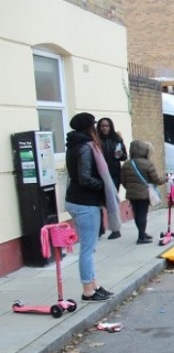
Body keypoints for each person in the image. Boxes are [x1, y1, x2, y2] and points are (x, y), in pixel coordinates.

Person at [65, 112, 118, 302]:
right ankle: (88, 290)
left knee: (90, 247)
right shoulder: (86, 148)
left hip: (77, 200)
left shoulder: (73, 145)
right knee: (88, 248)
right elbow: (85, 178)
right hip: (84, 202)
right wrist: (104, 185)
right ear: (89, 128)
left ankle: (94, 285)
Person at [120, 140, 167, 244]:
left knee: (137, 214)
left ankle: (142, 233)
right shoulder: (147, 164)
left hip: (131, 194)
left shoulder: (127, 164)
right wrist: (165, 178)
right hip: (143, 194)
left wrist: (130, 188)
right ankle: (141, 237)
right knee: (142, 214)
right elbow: (156, 180)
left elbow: (123, 181)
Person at [97, 117, 127, 239]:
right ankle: (99, 228)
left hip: (114, 174)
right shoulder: (95, 140)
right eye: (102, 126)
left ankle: (115, 229)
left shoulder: (117, 139)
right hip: (99, 175)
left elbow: (125, 156)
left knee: (112, 202)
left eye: (107, 126)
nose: (104, 128)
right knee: (98, 201)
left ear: (111, 127)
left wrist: (121, 155)